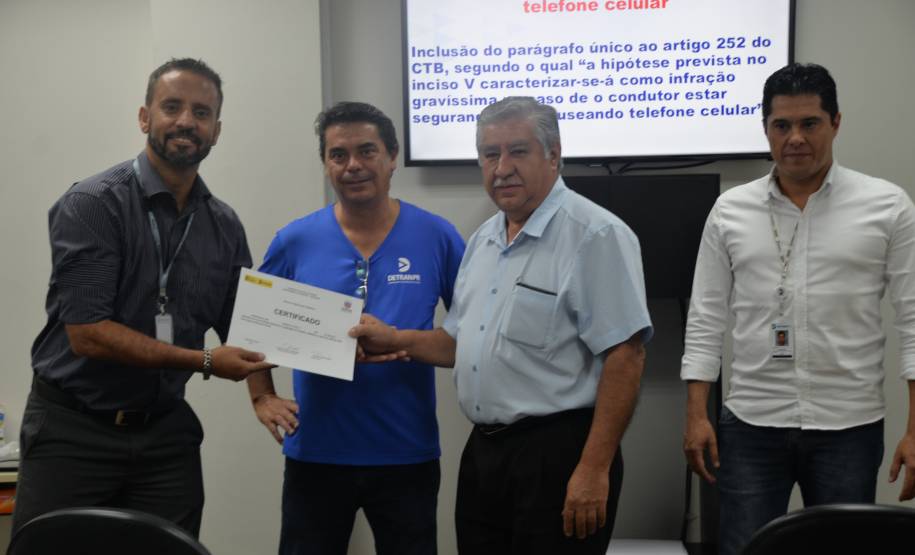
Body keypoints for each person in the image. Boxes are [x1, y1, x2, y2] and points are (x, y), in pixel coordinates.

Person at [352, 96, 652, 554]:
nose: (502, 167)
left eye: (519, 151)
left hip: (559, 454)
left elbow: (625, 357)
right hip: (485, 454)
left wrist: (594, 469)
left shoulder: (595, 235)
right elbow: (460, 343)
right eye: (490, 154)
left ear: (553, 155)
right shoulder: (484, 240)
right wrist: (392, 340)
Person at [12, 58, 273, 537]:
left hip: (164, 435)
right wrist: (206, 361)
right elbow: (89, 333)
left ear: (216, 131)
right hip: (74, 430)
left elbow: (246, 320)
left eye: (201, 112)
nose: (186, 122)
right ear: (144, 117)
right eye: (171, 107)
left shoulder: (223, 225)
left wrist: (266, 395)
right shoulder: (93, 203)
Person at [681, 63, 915, 555]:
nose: (795, 138)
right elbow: (705, 316)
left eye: (810, 123)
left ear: (836, 123)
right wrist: (696, 414)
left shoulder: (887, 206)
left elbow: (913, 320)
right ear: (765, 128)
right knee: (743, 550)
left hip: (848, 425)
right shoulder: (730, 210)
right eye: (781, 125)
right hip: (749, 426)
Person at [245, 101, 464, 555]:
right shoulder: (295, 240)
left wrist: (402, 342)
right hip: (316, 455)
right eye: (338, 155)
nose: (353, 166)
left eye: (367, 151)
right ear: (326, 164)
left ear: (392, 157)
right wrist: (262, 395)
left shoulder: (438, 237)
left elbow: (468, 344)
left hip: (407, 454)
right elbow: (253, 330)